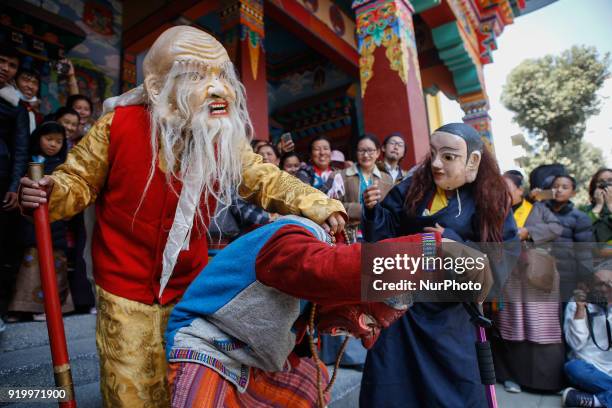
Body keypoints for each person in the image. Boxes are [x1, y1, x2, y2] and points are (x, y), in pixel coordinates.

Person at [19, 26, 346, 408]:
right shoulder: (118, 126)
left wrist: (320, 204)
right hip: (123, 284)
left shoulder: (220, 138)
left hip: (189, 289)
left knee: (186, 390)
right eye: (197, 75)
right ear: (160, 89)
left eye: (222, 75)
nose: (219, 89)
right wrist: (50, 193)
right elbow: (77, 181)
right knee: (131, 392)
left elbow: (263, 177)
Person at [166, 214, 449, 407]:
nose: (361, 336)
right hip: (205, 351)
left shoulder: (316, 291)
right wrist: (429, 250)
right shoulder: (293, 242)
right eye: (368, 323)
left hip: (252, 363)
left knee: (313, 381)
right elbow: (328, 269)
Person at [360, 123, 518, 407]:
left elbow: (502, 264)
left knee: (453, 393)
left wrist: (451, 242)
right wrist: (373, 212)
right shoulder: (414, 187)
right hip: (403, 310)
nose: (435, 164)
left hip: (452, 315)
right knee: (391, 388)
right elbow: (385, 236)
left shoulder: (492, 200)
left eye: (448, 157)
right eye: (433, 154)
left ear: (473, 161)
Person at [493, 170, 565, 393]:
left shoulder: (538, 209)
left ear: (519, 191)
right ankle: (511, 377)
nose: (502, 194)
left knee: (541, 325)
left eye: (507, 189)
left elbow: (556, 228)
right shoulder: (495, 212)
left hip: (537, 276)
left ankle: (546, 381)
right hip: (509, 277)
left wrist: (528, 232)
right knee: (510, 324)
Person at [8, 122, 73, 321]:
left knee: (56, 268)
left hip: (57, 225)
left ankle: (54, 307)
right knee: (31, 267)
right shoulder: (28, 162)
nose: (53, 144)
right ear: (38, 139)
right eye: (49, 139)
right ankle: (22, 308)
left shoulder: (64, 166)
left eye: (59, 141)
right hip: (31, 224)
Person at [0, 44, 29, 325]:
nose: (4, 68)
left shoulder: (15, 105)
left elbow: (21, 148)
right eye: (2, 60)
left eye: (11, 64)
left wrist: (13, 186)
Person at [562, 261, 612, 408]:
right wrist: (580, 310)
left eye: (608, 284)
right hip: (586, 367)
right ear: (590, 286)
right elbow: (576, 344)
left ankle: (594, 402)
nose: (604, 289)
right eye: (599, 284)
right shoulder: (578, 304)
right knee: (573, 368)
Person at [336, 134, 393, 244]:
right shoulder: (341, 176)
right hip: (350, 236)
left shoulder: (387, 180)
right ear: (356, 153)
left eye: (370, 150)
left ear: (377, 153)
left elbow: (391, 211)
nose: (366, 155)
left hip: (379, 236)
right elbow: (332, 205)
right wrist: (362, 210)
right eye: (361, 151)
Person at [546, 174, 593, 300]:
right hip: (540, 273)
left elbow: (584, 252)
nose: (559, 190)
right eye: (555, 186)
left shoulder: (580, 218)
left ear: (573, 193)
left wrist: (585, 278)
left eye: (564, 187)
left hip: (567, 277)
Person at [585, 168, 612, 260]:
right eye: (601, 182)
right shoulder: (587, 210)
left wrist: (610, 205)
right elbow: (582, 227)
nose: (605, 185)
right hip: (593, 258)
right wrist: (599, 205)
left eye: (610, 181)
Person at [15, 67, 42, 132]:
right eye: (26, 80)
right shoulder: (7, 104)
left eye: (35, 83)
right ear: (14, 81)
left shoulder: (36, 112)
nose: (30, 86)